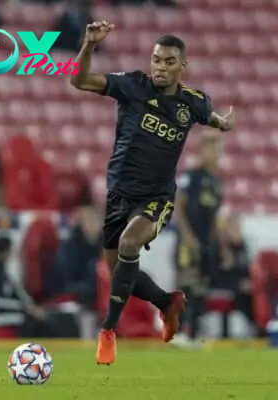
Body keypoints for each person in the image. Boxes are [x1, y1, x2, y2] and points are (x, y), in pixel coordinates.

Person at [70, 21, 235, 365]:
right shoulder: (133, 85)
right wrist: (89, 45)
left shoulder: (193, 103)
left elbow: (211, 117)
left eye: (168, 61)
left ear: (182, 66)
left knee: (130, 244)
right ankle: (166, 302)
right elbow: (79, 80)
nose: (160, 67)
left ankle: (107, 331)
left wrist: (223, 122)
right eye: (156, 60)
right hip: (118, 196)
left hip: (157, 198)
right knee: (118, 270)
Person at [173, 130, 227, 343]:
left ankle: (194, 333)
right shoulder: (191, 176)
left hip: (206, 241)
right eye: (209, 147)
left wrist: (220, 245)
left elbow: (215, 217)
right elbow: (179, 207)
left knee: (202, 285)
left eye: (217, 148)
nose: (213, 152)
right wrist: (187, 236)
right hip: (190, 239)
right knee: (188, 280)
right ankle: (178, 330)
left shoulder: (215, 182)